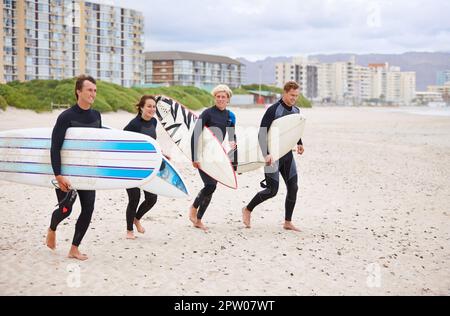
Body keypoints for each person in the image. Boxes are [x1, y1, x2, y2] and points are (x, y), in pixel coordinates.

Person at [46, 75, 102, 261]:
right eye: (89, 90)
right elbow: (55, 147)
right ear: (78, 91)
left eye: (94, 90)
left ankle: (74, 249)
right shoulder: (66, 117)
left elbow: (97, 144)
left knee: (88, 209)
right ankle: (52, 228)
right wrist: (59, 175)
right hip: (66, 173)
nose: (93, 93)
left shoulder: (96, 115)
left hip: (87, 172)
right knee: (66, 209)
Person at [242, 81, 305, 232]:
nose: (294, 99)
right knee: (272, 190)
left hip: (287, 155)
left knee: (293, 187)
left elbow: (292, 131)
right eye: (291, 95)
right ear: (285, 93)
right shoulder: (273, 110)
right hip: (272, 155)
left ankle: (287, 222)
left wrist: (300, 143)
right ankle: (248, 209)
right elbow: (262, 133)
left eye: (296, 96)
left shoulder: (296, 110)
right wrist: (266, 154)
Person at [189, 85, 237, 231]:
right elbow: (195, 135)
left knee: (212, 187)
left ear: (228, 99)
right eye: (218, 97)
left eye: (223, 97)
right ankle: (194, 208)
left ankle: (198, 219)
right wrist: (194, 157)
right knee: (210, 185)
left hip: (217, 155)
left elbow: (231, 135)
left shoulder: (230, 116)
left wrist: (232, 142)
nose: (221, 99)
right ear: (214, 98)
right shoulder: (207, 113)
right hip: (203, 154)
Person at [123, 95, 168, 240]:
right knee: (134, 198)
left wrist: (161, 154)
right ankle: (129, 230)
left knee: (152, 198)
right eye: (149, 106)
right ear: (141, 107)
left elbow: (152, 143)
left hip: (148, 166)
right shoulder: (133, 125)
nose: (152, 109)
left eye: (154, 106)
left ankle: (137, 218)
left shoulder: (154, 122)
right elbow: (122, 143)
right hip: (132, 168)